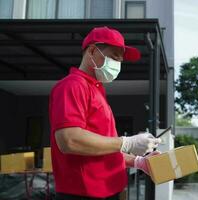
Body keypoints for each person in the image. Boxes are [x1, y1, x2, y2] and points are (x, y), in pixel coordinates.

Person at [49, 26, 161, 200]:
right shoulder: (72, 85)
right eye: (114, 56)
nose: (118, 64)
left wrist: (137, 161)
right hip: (84, 193)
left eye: (121, 60)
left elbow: (102, 147)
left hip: (108, 190)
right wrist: (126, 142)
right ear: (92, 50)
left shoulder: (96, 90)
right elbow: (69, 140)